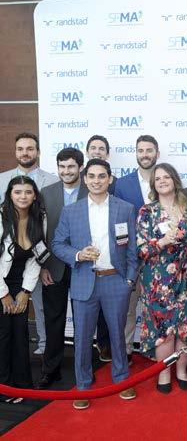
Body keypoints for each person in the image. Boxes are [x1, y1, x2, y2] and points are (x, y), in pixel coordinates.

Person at [52, 159, 138, 410]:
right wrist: (78, 255)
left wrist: (129, 280)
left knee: (118, 335)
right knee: (81, 338)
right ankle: (83, 386)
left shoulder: (125, 208)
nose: (96, 181)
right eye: (91, 176)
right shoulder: (71, 211)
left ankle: (121, 380)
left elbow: (132, 249)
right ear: (85, 178)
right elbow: (58, 244)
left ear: (110, 179)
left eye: (102, 176)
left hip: (116, 281)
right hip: (84, 281)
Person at [137, 163, 187, 394]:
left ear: (174, 179)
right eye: (158, 179)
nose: (162, 181)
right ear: (153, 184)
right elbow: (141, 250)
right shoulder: (147, 211)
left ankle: (181, 370)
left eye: (166, 177)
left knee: (186, 325)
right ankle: (163, 372)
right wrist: (162, 242)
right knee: (163, 329)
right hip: (158, 280)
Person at [0, 133, 58, 356]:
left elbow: (50, 225)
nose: (25, 153)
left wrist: (43, 264)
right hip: (5, 265)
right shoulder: (2, 179)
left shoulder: (53, 181)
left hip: (35, 259)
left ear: (38, 152)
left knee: (37, 310)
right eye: (21, 149)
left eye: (30, 148)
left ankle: (43, 347)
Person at [37, 148, 88, 389]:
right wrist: (42, 265)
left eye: (70, 166)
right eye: (62, 167)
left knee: (83, 323)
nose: (66, 171)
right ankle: (51, 370)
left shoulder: (92, 189)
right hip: (53, 268)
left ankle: (83, 370)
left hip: (84, 267)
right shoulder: (46, 193)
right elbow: (38, 232)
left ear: (80, 167)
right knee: (53, 321)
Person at [0, 176, 46, 403]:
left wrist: (25, 292)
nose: (23, 196)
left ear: (34, 195)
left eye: (28, 192)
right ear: (10, 195)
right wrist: (4, 294)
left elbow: (36, 258)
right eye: (17, 192)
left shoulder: (39, 218)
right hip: (1, 284)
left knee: (20, 333)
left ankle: (20, 385)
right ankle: (4, 388)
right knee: (3, 335)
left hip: (20, 284)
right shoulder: (1, 218)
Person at [114, 134, 160, 365]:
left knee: (158, 307)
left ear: (157, 153)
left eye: (149, 150)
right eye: (140, 150)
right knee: (128, 308)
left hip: (161, 258)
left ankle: (158, 351)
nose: (145, 154)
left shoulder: (165, 179)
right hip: (131, 257)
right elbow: (118, 222)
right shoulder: (122, 184)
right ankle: (125, 351)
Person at [85, 134, 116, 362]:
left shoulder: (117, 194)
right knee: (83, 327)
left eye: (101, 148)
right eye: (93, 148)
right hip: (83, 271)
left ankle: (108, 349)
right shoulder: (78, 200)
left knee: (113, 323)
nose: (97, 181)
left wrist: (128, 278)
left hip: (112, 272)